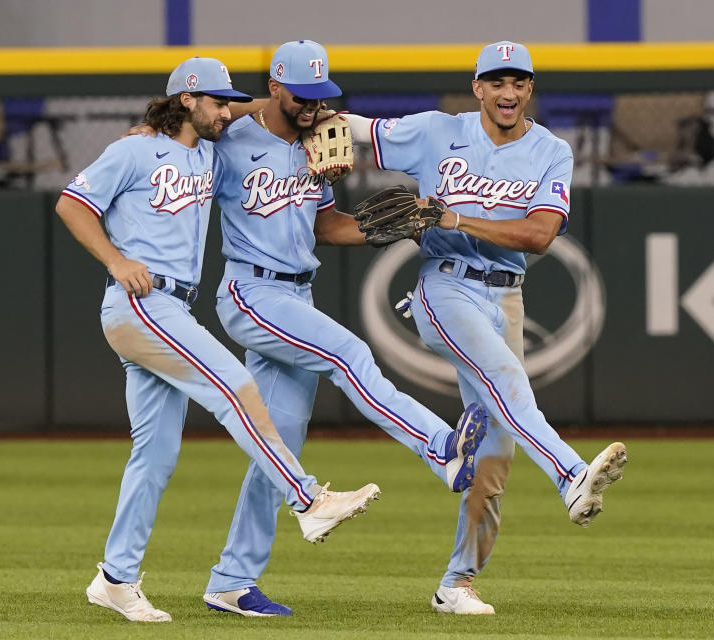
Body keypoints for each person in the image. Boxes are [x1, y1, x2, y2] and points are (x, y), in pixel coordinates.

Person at [55, 57, 381, 624]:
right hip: (142, 302)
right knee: (233, 385)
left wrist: (303, 127)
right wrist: (115, 259)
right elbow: (71, 203)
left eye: (231, 101)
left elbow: (260, 110)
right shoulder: (135, 150)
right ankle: (307, 499)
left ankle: (115, 578)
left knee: (154, 458)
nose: (227, 110)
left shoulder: (209, 150)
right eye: (216, 100)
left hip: (174, 304)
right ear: (186, 99)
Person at [200, 40, 489, 617]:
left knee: (278, 447)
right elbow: (195, 115)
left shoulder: (317, 142)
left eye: (321, 95)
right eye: (302, 96)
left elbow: (326, 225)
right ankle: (442, 451)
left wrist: (390, 227)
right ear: (275, 87)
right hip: (250, 289)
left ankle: (230, 581)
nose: (314, 106)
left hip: (294, 290)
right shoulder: (230, 141)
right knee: (348, 353)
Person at [341, 41, 628, 614]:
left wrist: (454, 215)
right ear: (477, 88)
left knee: (495, 453)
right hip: (442, 285)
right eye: (495, 81)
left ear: (529, 89)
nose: (507, 92)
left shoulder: (550, 150)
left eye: (518, 82)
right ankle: (571, 474)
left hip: (508, 296)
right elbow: (344, 126)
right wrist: (246, 118)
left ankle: (457, 584)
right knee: (504, 378)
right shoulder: (434, 131)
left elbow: (541, 236)